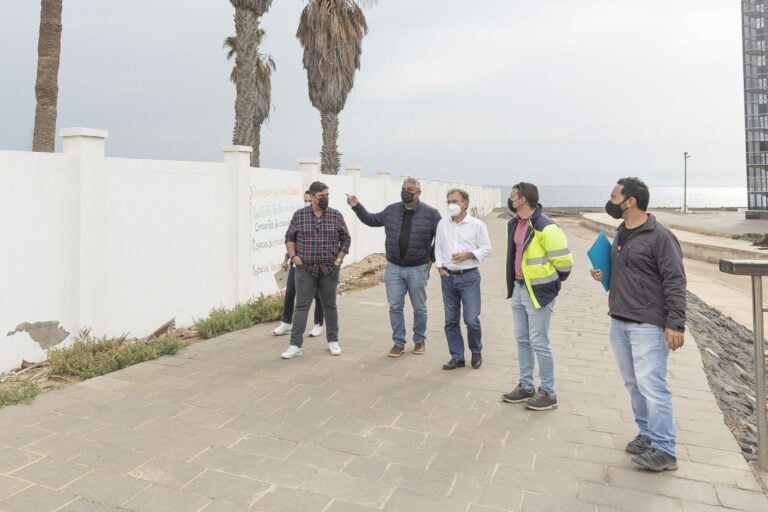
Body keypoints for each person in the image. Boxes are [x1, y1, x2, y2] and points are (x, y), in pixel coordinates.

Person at [590, 177, 686, 471]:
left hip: (647, 324)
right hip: (620, 320)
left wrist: (675, 323)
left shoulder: (661, 236)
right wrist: (603, 273)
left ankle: (665, 449)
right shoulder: (622, 232)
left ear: (630, 201)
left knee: (652, 386)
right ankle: (647, 434)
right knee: (634, 384)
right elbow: (627, 270)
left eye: (614, 196)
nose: (610, 201)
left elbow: (675, 280)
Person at [346, 178, 441, 357]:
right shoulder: (391, 210)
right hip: (394, 268)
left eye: (410, 189)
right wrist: (356, 206)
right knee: (395, 306)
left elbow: (442, 237)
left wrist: (432, 258)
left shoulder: (431, 214)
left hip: (417, 268)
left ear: (418, 193)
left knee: (419, 307)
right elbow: (371, 219)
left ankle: (419, 340)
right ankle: (398, 342)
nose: (406, 192)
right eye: (404, 188)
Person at [502, 182, 573, 411]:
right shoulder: (515, 223)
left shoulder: (546, 227)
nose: (510, 199)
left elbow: (565, 263)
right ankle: (526, 386)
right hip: (518, 289)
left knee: (539, 342)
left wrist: (549, 285)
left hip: (538, 293)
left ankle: (548, 392)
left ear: (522, 200)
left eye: (513, 196)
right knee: (522, 339)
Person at [281, 181, 351, 359]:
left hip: (329, 269)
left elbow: (346, 239)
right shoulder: (299, 215)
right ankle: (295, 345)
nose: (325, 199)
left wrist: (339, 259)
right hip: (305, 269)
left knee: (330, 305)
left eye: (327, 195)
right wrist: (294, 257)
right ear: (312, 197)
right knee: (301, 306)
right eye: (321, 196)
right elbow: (289, 237)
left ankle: (333, 341)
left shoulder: (336, 215)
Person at [435, 189, 492, 370]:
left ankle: (476, 351)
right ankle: (457, 356)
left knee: (471, 319)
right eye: (449, 201)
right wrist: (439, 266)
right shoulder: (442, 224)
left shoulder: (477, 225)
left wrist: (469, 254)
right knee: (451, 320)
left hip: (469, 276)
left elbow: (487, 249)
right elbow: (438, 246)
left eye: (455, 201)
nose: (451, 204)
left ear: (465, 204)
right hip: (448, 277)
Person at [273, 190, 324, 338]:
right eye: (305, 200)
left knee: (318, 295)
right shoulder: (299, 217)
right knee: (290, 293)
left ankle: (318, 324)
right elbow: (291, 240)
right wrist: (287, 259)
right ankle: (286, 322)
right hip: (297, 265)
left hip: (315, 266)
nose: (307, 203)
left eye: (309, 200)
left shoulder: (323, 217)